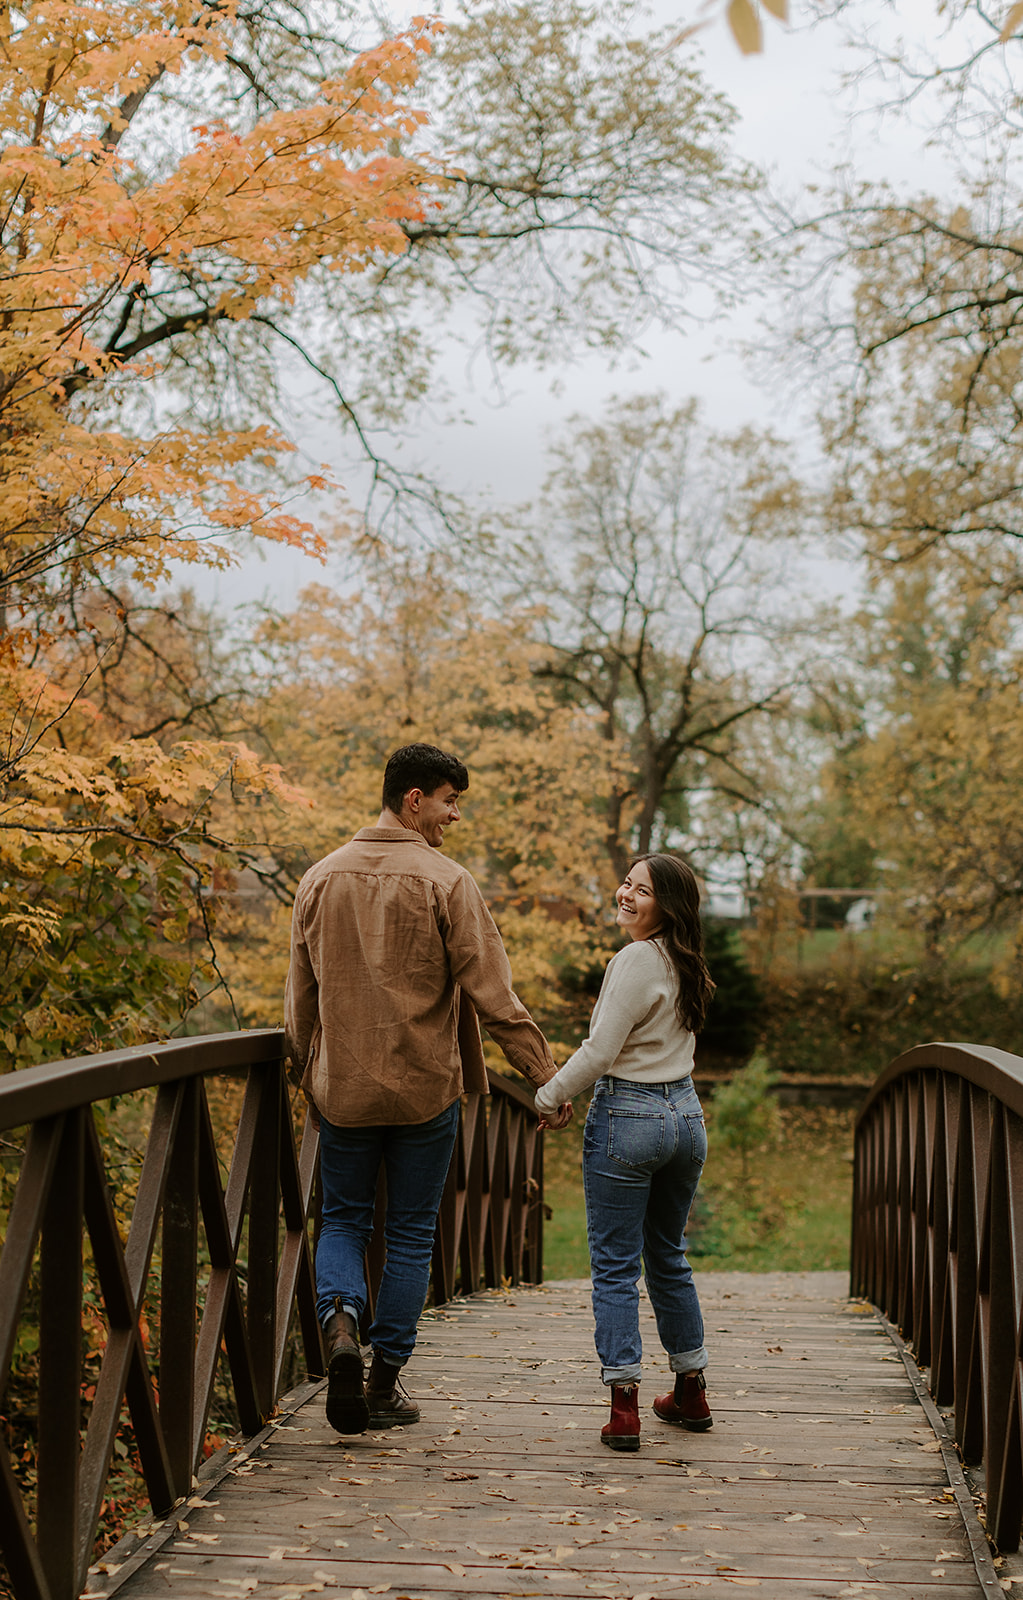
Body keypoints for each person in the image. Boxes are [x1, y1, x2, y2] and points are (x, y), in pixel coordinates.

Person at [285, 742, 572, 1437]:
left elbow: (301, 999)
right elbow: (494, 995)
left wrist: (300, 1074)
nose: (453, 816)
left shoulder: (319, 879)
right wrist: (543, 1075)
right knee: (411, 1233)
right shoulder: (447, 882)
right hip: (425, 1092)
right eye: (448, 802)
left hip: (344, 1091)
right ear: (413, 799)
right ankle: (383, 1384)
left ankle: (342, 1328)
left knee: (345, 1220)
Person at [534, 853, 715, 1452]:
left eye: (642, 891)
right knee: (668, 1254)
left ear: (668, 905)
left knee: (615, 1265)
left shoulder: (637, 958)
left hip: (631, 1118)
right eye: (627, 885)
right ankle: (690, 1389)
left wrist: (549, 1094)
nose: (626, 895)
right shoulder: (684, 958)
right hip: (685, 1117)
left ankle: (625, 1408)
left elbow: (600, 1050)